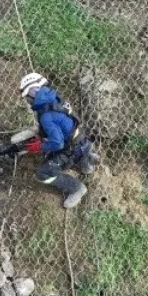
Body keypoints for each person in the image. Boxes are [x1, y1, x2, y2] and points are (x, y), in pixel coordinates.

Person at [17, 72, 98, 209]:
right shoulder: (54, 97)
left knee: (43, 173)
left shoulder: (46, 116)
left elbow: (57, 143)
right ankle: (87, 162)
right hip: (82, 140)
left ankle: (76, 188)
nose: (27, 101)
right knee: (74, 149)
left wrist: (39, 146)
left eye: (27, 96)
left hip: (70, 150)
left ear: (34, 91)